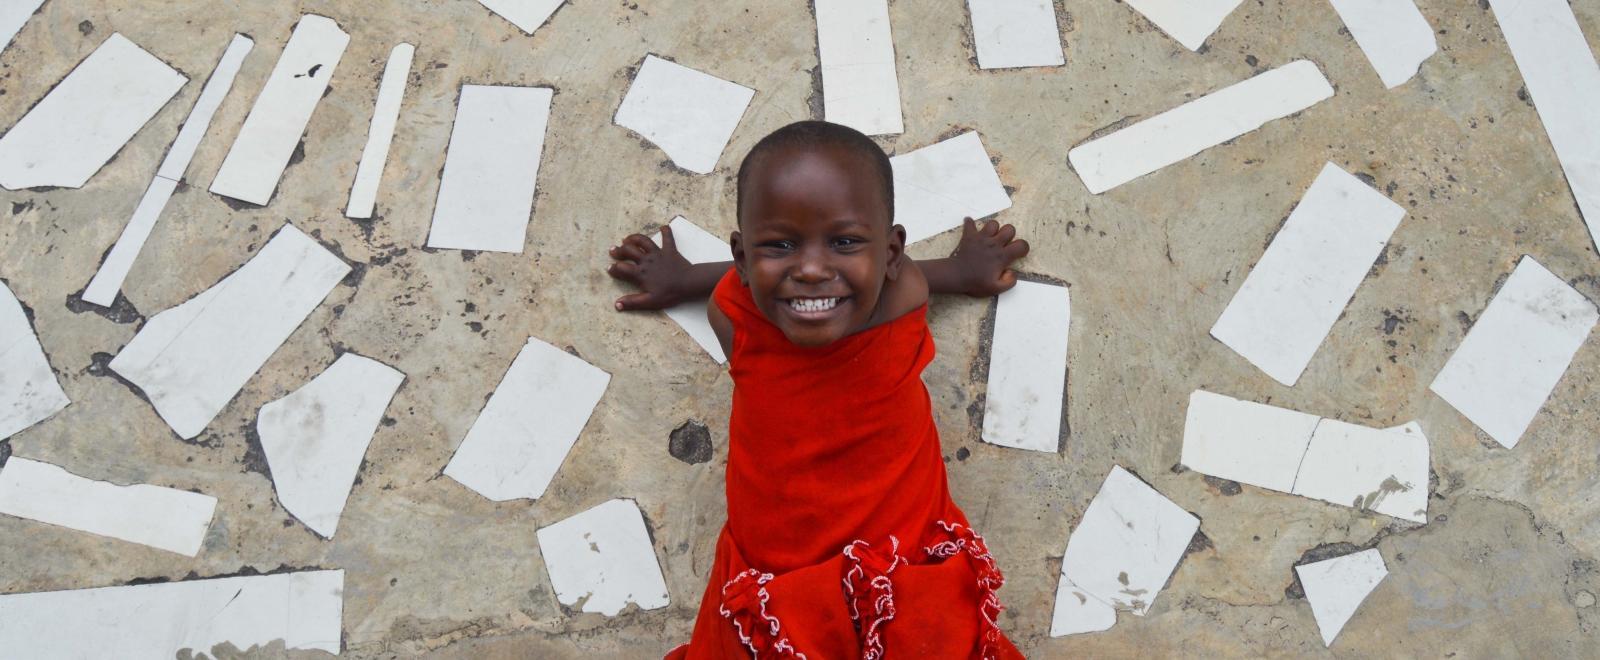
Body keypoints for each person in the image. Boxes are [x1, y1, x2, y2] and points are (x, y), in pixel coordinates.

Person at [607, 120, 1029, 658]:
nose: (810, 270)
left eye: (844, 242)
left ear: (892, 253)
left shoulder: (904, 298)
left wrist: (965, 271)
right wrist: (682, 279)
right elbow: (742, 279)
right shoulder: (734, 314)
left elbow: (898, 272)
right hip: (775, 579)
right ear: (741, 257)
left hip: (894, 577)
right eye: (781, 244)